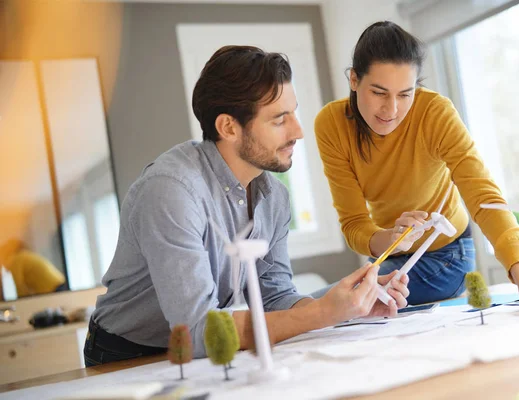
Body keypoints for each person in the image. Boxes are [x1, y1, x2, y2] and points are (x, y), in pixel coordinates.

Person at [84, 45, 409, 366]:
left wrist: (348, 304)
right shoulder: (171, 190)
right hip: (125, 354)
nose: (298, 132)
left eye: (294, 113)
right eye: (280, 119)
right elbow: (199, 332)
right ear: (228, 127)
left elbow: (274, 296)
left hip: (203, 349)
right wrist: (322, 313)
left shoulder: (274, 197)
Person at [314, 21, 519, 310]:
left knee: (328, 305)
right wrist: (391, 240)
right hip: (389, 257)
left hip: (448, 255)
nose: (392, 110)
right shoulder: (331, 125)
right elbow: (354, 224)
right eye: (378, 93)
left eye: (405, 94)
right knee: (325, 305)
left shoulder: (435, 113)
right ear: (353, 80)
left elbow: (484, 197)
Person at [0, 239, 66, 298]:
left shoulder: (16, 259)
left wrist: (21, 302)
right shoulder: (25, 256)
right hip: (60, 284)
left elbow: (16, 285)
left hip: (56, 289)